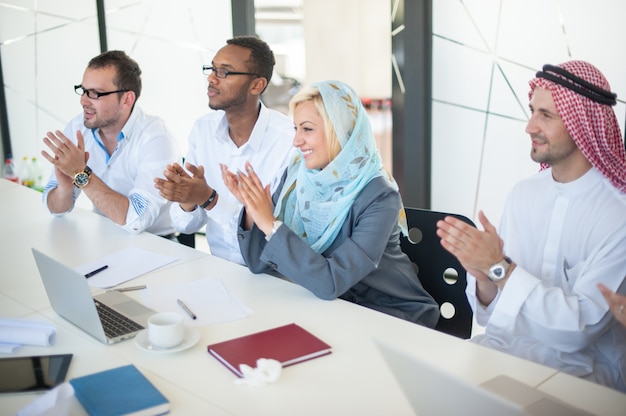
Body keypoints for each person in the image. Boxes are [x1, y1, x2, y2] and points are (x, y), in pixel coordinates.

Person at [436, 61, 626, 392]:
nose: (529, 126)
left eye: (546, 116)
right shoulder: (523, 194)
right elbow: (490, 318)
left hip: (582, 375)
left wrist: (499, 269)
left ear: (583, 125)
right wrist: (483, 278)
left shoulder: (617, 215)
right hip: (503, 355)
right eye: (532, 111)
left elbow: (578, 331)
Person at [221, 80, 439, 327]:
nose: (296, 141)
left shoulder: (379, 196)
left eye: (307, 129)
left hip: (389, 316)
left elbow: (331, 281)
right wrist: (252, 210)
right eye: (295, 129)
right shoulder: (296, 176)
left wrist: (270, 224)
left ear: (339, 129)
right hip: (332, 309)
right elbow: (258, 262)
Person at [154, 36, 294, 264]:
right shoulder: (203, 129)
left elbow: (274, 234)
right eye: (212, 69)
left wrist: (208, 198)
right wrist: (187, 199)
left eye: (224, 72)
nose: (211, 78)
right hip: (219, 268)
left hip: (274, 275)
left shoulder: (288, 141)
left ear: (257, 85)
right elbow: (185, 225)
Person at [41, 50, 179, 237]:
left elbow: (136, 220)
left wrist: (81, 174)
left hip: (157, 243)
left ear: (127, 99)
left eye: (95, 93)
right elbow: (55, 209)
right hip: (104, 236)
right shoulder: (78, 127)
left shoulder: (156, 139)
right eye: (83, 90)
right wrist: (65, 189)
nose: (83, 101)